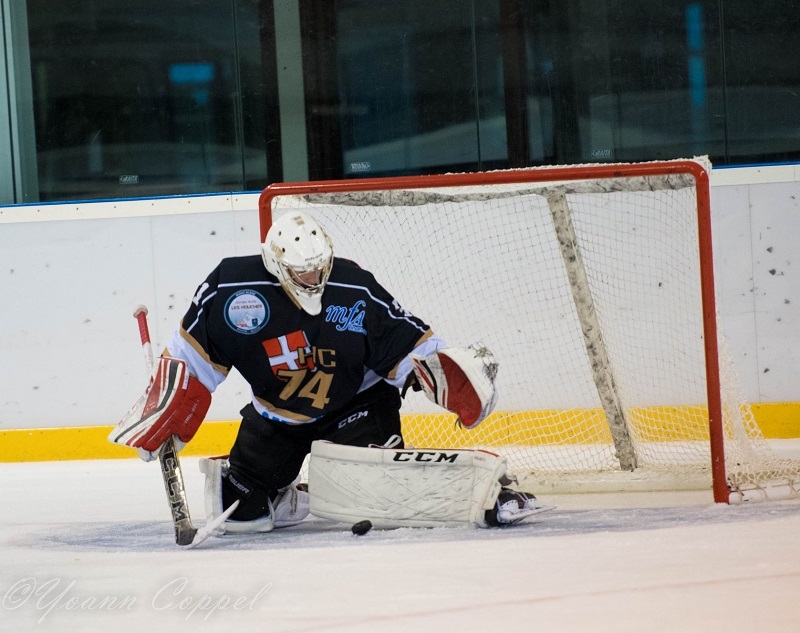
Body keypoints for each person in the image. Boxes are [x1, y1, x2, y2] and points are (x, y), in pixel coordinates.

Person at [111, 210, 540, 533]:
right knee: (240, 513)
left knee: (379, 496)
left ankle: (490, 496)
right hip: (278, 416)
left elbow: (407, 344)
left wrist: (439, 372)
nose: (314, 276)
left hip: (357, 402)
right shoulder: (231, 290)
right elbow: (190, 361)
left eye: (319, 266)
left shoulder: (353, 286)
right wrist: (165, 411)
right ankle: (284, 494)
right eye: (302, 270)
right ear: (277, 264)